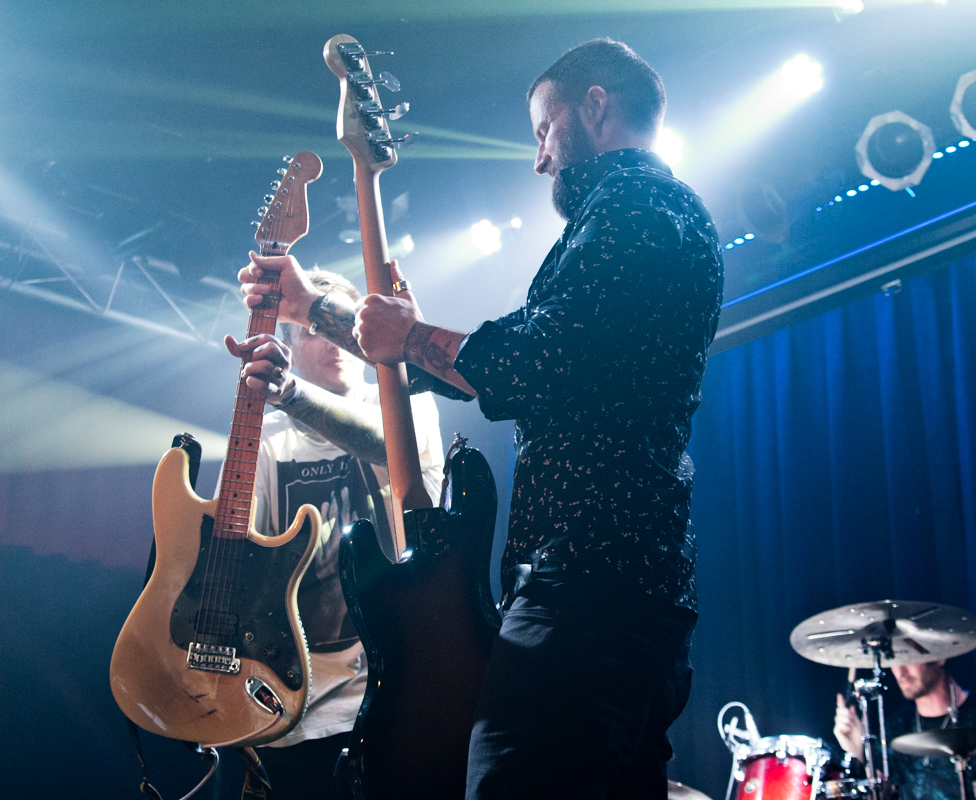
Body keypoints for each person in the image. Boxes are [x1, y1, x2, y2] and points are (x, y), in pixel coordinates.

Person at [237, 38, 723, 799]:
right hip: (628, 590)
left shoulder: (639, 209)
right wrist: (316, 309)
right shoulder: (644, 218)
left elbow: (536, 361)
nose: (538, 160)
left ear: (594, 106)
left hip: (590, 590)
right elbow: (503, 364)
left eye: (542, 129)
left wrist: (408, 337)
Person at [222, 268, 445, 799]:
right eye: (311, 330)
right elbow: (239, 561)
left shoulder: (406, 400)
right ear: (290, 347)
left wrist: (290, 393)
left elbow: (393, 446)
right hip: (300, 709)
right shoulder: (267, 435)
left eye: (339, 326)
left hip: (403, 691)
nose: (333, 344)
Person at [833, 659, 976, 800]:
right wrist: (859, 751)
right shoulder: (896, 727)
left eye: (910, 659)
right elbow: (883, 792)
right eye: (895, 661)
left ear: (939, 657)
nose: (900, 671)